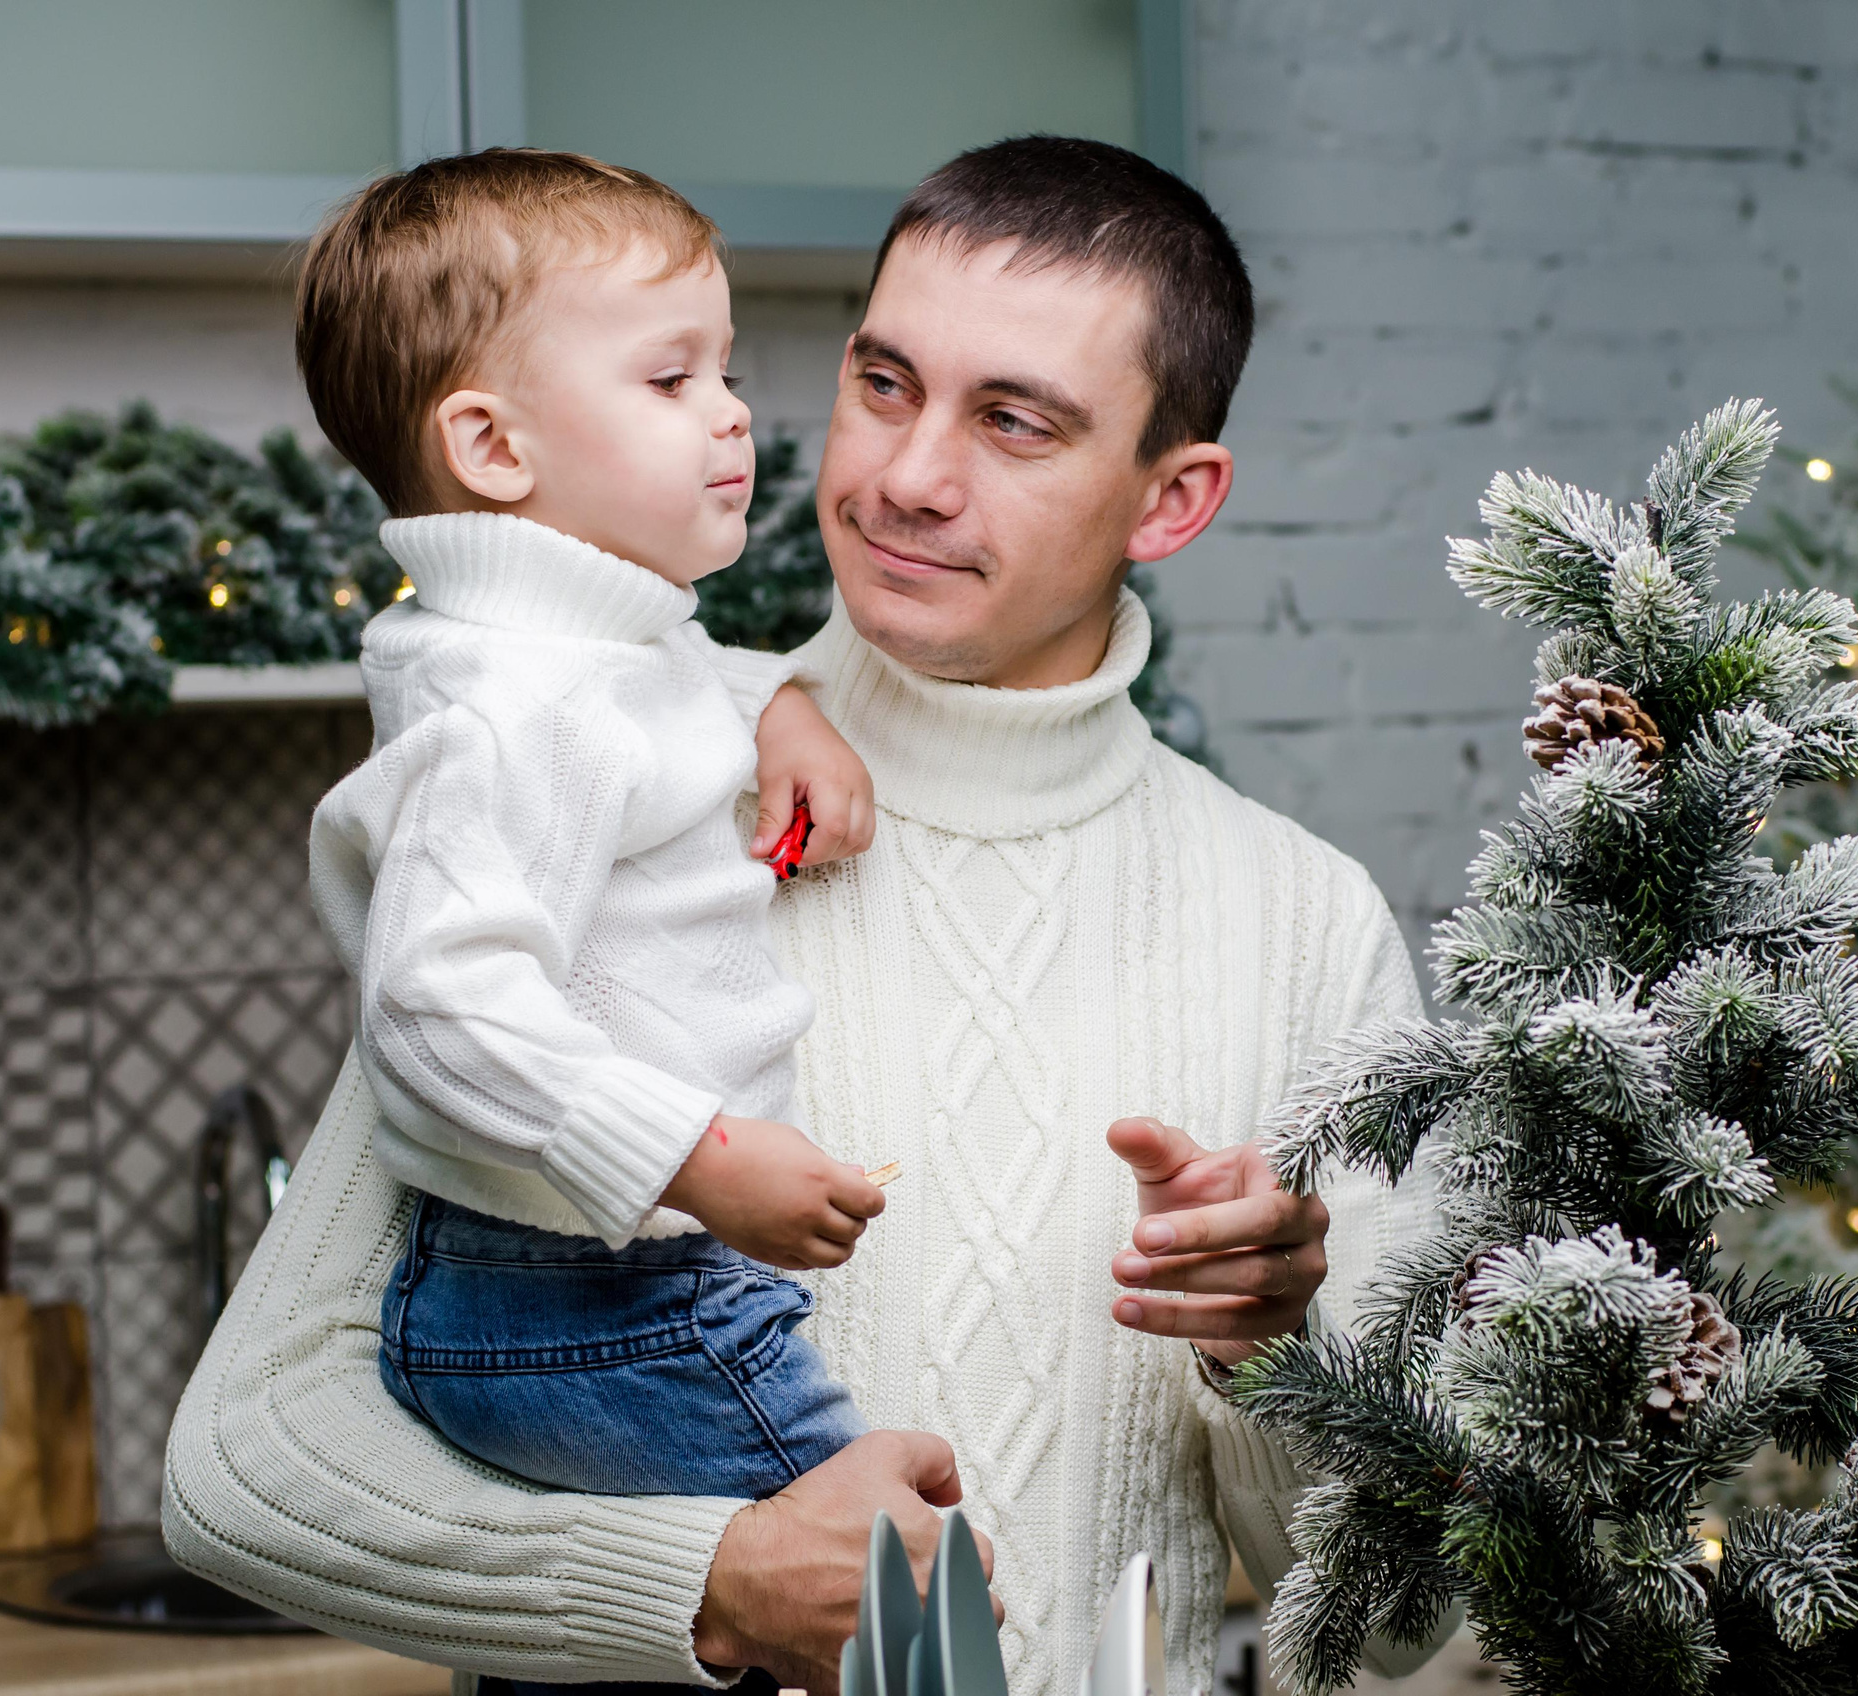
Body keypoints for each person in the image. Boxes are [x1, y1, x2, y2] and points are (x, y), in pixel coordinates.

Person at [165, 136, 1444, 1696]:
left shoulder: (1299, 920)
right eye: (883, 384)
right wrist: (709, 1591)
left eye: (1014, 422)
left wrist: (1272, 1349)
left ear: (1170, 500)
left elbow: (1398, 1620)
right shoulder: (625, 786)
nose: (907, 476)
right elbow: (244, 1464)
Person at [299, 149, 891, 1509]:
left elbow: (654, 682)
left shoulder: (574, 648)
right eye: (671, 379)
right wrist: (693, 1154)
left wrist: (777, 706)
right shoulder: (510, 706)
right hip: (587, 1294)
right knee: (895, 1575)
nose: (734, 415)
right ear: (495, 449)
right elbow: (435, 1003)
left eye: (725, 370)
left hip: (606, 1280)